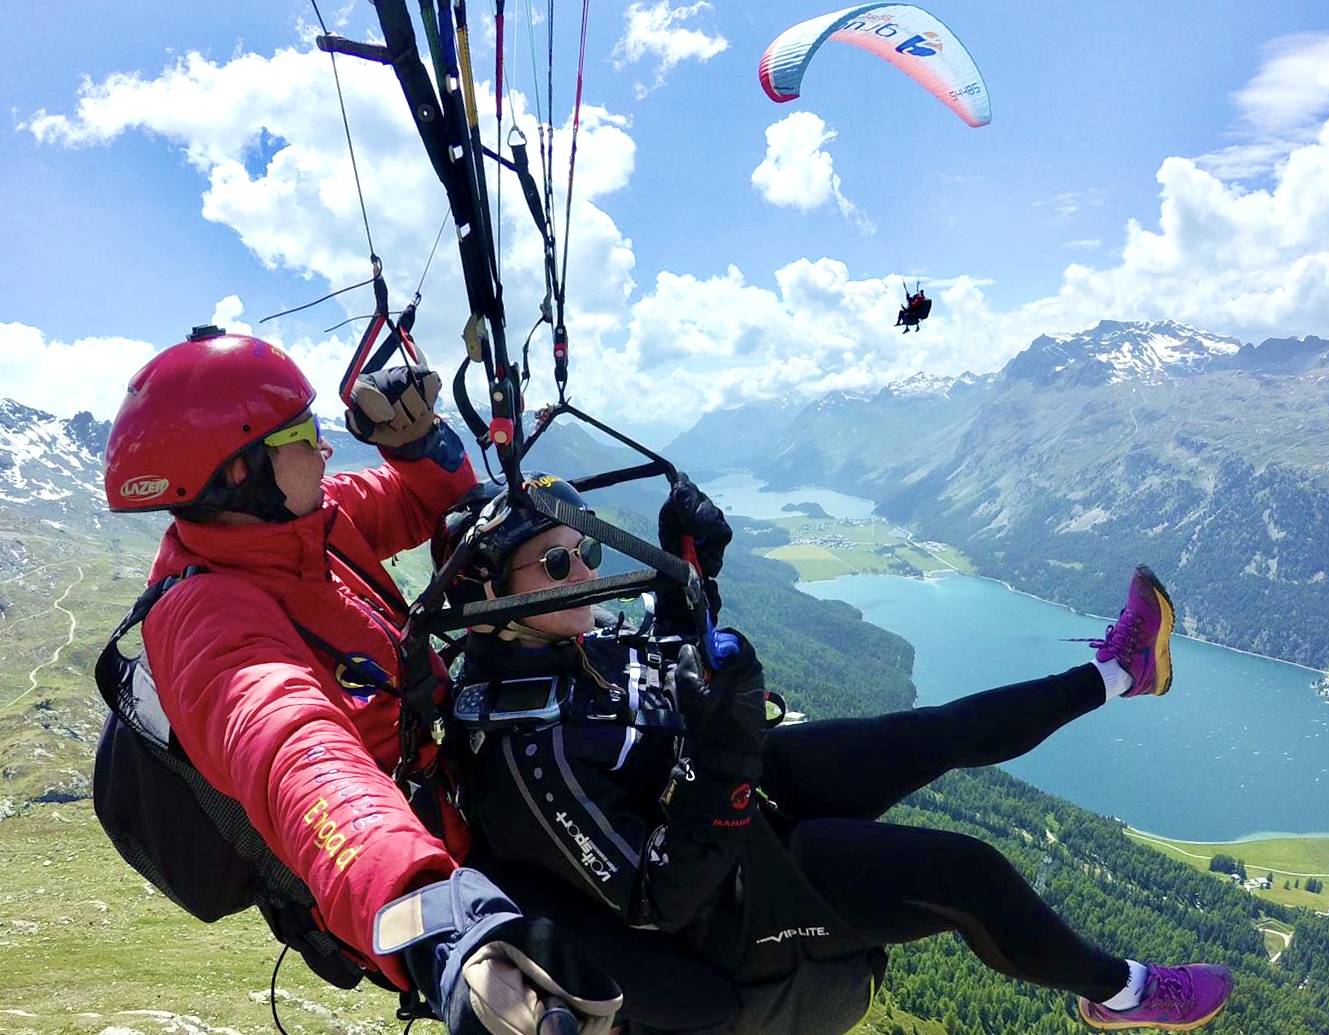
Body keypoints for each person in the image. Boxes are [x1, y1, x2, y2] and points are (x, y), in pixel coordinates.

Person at [433, 473, 1235, 1035]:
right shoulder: (527, 754)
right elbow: (660, 898)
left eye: (589, 553)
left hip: (725, 801)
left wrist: (691, 578)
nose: (584, 574)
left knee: (930, 733)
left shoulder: (563, 648)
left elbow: (658, 672)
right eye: (560, 563)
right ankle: (1122, 992)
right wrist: (723, 750)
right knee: (970, 873)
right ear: (490, 603)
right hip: (726, 909)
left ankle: (1124, 671)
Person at [100, 327, 621, 1035]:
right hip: (423, 866)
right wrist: (436, 912)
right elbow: (298, 754)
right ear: (236, 473)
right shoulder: (206, 619)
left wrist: (418, 445)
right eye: (300, 433)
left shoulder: (304, 525)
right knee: (652, 972)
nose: (322, 447)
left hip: (458, 796)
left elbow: (430, 506)